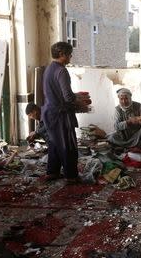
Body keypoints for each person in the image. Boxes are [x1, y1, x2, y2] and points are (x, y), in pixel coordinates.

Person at [42, 41, 86, 183]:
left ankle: (52, 172)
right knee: (68, 145)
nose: (70, 57)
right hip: (60, 114)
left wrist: (76, 95)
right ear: (62, 54)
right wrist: (81, 103)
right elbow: (67, 97)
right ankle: (71, 176)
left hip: (49, 113)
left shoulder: (49, 69)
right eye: (69, 54)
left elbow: (59, 93)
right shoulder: (62, 70)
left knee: (55, 144)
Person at [107, 88, 141, 153]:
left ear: (130, 97)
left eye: (126, 98)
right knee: (112, 136)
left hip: (137, 137)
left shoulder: (139, 106)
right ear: (119, 99)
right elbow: (116, 127)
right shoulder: (117, 109)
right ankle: (127, 146)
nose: (124, 101)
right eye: (121, 99)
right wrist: (129, 122)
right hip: (125, 138)